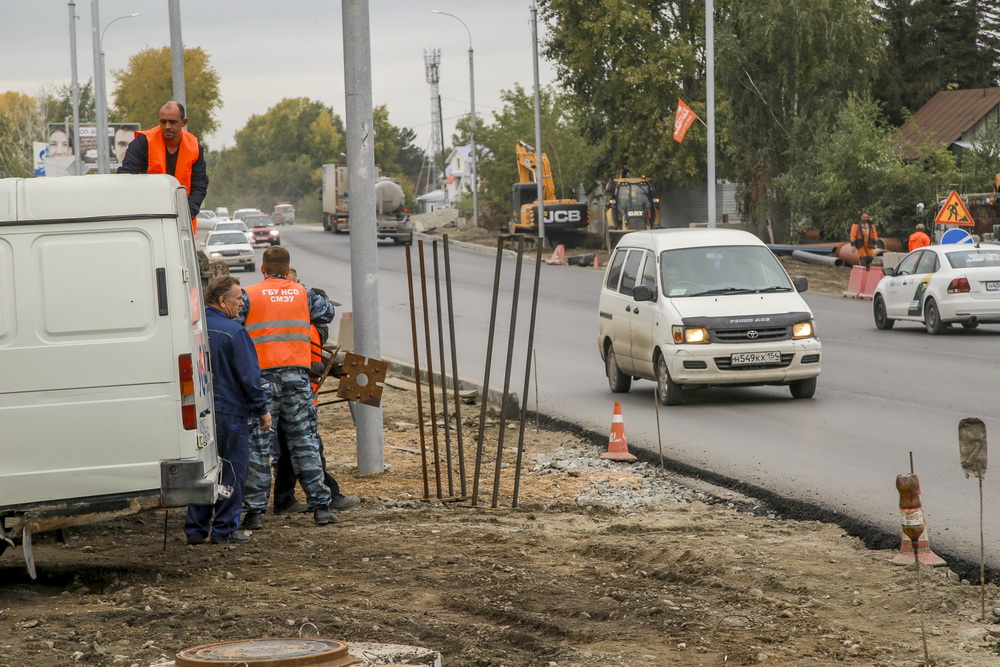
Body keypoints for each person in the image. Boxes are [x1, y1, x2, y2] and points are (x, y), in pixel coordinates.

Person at [240, 246, 338, 528]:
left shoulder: (250, 294)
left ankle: (255, 513)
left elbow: (235, 324)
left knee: (259, 446)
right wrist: (297, 289)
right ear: (287, 269)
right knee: (304, 442)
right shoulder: (303, 293)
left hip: (263, 382)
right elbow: (327, 313)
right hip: (297, 379)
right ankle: (321, 507)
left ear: (263, 268)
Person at [184, 275, 271, 545]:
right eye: (238, 298)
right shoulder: (234, 332)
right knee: (232, 470)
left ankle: (195, 530)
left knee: (203, 471)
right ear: (223, 301)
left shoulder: (191, 329)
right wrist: (262, 409)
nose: (242, 302)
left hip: (198, 414)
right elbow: (248, 377)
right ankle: (224, 531)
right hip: (230, 413)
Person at [271, 267, 358, 516]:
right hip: (297, 397)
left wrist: (332, 368)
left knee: (289, 453)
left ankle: (284, 499)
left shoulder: (310, 330)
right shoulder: (308, 329)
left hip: (299, 395)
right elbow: (304, 362)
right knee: (309, 448)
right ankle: (329, 495)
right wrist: (329, 368)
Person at [118, 101, 208, 233]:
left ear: (184, 122)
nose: (167, 126)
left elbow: (199, 185)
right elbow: (126, 178)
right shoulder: (143, 143)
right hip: (148, 220)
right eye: (163, 122)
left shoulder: (194, 148)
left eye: (172, 122)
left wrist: (187, 213)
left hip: (183, 224)